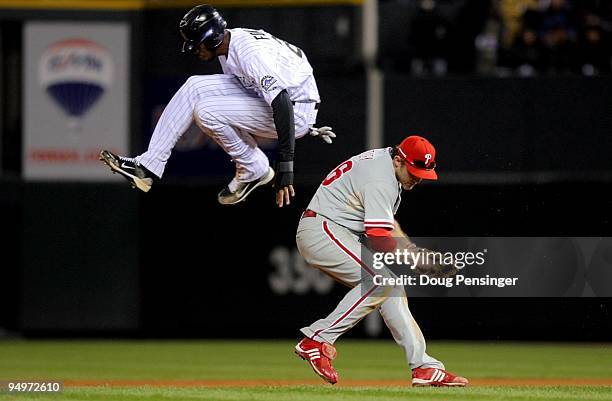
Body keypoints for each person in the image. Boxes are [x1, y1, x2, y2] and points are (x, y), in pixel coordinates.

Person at [99, 4, 335, 207]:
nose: (193, 50)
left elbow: (281, 100)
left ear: (211, 38)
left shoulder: (249, 53)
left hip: (294, 110)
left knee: (207, 111)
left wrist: (286, 166)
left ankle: (255, 168)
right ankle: (147, 167)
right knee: (194, 87)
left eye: (196, 44)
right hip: (280, 97)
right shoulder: (230, 43)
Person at [293, 135, 468, 387]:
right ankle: (316, 340)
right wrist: (419, 261)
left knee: (391, 287)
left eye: (423, 172)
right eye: (414, 170)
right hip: (323, 229)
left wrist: (416, 255)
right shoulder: (381, 178)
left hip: (331, 228)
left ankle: (424, 367)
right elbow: (379, 239)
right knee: (380, 282)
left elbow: (387, 227)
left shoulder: (386, 166)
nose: (418, 178)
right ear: (399, 160)